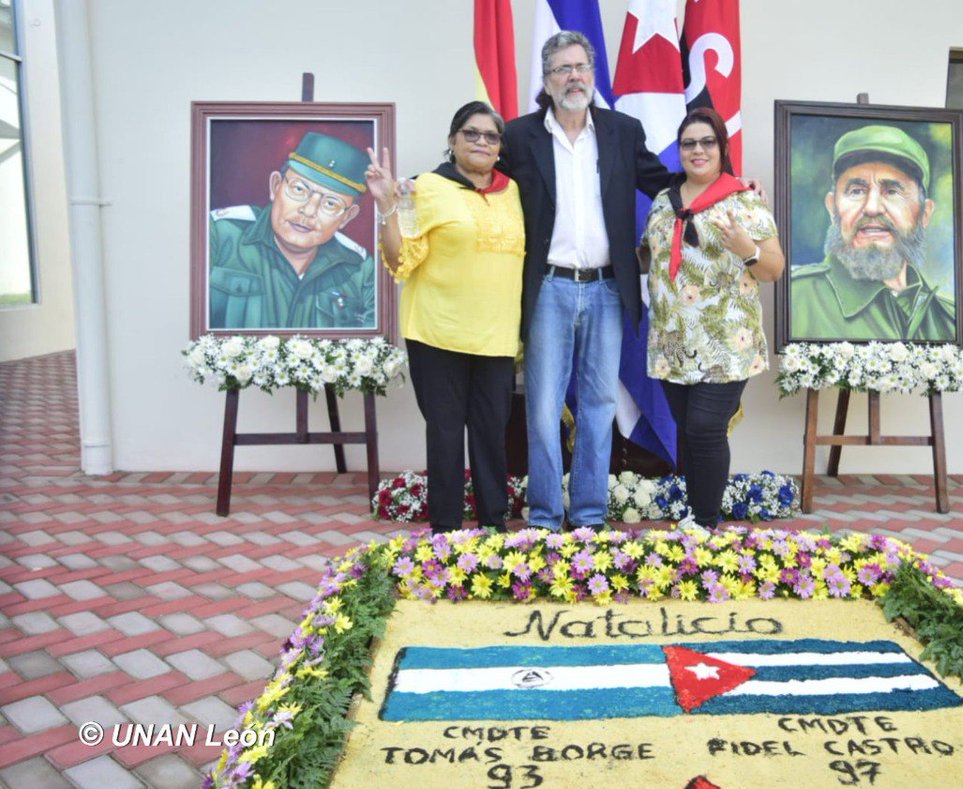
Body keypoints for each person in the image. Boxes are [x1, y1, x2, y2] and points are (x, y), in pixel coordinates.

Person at [501, 31, 672, 532]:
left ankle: (590, 515)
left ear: (592, 75)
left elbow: (665, 186)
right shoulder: (519, 136)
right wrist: (423, 187)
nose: (573, 77)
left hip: (608, 288)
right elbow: (478, 178)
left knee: (599, 405)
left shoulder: (622, 131)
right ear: (547, 80)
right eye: (562, 69)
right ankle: (544, 517)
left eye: (581, 67)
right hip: (549, 288)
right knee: (542, 408)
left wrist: (728, 189)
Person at [368, 101, 524, 533]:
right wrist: (386, 207)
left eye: (491, 136)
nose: (481, 142)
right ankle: (447, 532)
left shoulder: (514, 191)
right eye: (471, 133)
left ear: (500, 146)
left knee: (491, 434)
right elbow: (400, 261)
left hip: (496, 336)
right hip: (437, 333)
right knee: (445, 434)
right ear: (453, 140)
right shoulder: (424, 189)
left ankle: (493, 527)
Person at [641, 108, 783, 528]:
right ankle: (695, 513)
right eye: (689, 143)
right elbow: (651, 256)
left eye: (707, 142)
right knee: (688, 430)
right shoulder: (663, 202)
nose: (698, 150)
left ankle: (705, 522)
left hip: (726, 340)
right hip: (672, 339)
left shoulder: (744, 201)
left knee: (705, 428)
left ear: (722, 147)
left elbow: (773, 269)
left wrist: (746, 247)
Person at [789, 125, 956, 342]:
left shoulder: (949, 319)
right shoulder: (795, 298)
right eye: (857, 191)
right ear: (832, 208)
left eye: (892, 191)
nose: (872, 207)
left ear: (925, 213)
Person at [209, 131, 376, 330]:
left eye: (331, 203)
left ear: (346, 217)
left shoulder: (359, 268)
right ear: (275, 186)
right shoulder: (220, 233)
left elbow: (376, 338)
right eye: (299, 190)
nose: (309, 211)